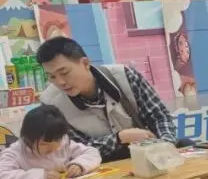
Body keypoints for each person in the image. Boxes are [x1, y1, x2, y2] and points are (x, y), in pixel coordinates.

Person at [37, 37, 180, 162]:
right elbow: (73, 150)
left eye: (64, 72)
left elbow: (159, 117)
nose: (60, 82)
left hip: (147, 153)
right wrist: (119, 138)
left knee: (184, 145)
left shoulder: (125, 76)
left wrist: (165, 147)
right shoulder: (51, 103)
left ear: (85, 63)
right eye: (52, 76)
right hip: (99, 164)